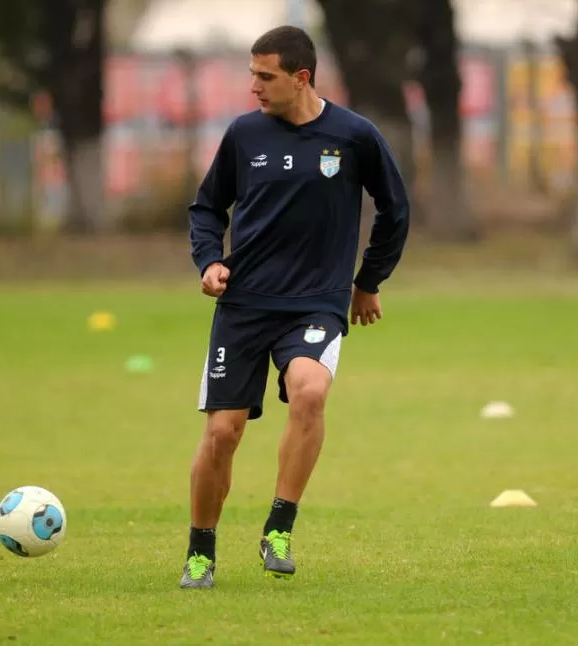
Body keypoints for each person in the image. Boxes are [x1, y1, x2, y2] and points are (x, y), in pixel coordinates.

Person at [180, 24, 410, 589]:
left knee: (309, 391)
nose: (253, 86)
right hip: (245, 303)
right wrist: (210, 261)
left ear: (300, 77)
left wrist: (368, 280)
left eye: (265, 76)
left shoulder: (354, 136)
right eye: (251, 74)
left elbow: (395, 209)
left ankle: (279, 528)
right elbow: (207, 208)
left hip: (316, 301)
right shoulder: (243, 135)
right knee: (224, 434)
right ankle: (200, 553)